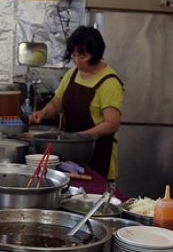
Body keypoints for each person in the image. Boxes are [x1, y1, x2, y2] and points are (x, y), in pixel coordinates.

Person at [29, 26, 123, 179]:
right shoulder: (72, 74)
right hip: (72, 156)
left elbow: (112, 123)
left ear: (96, 53)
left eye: (82, 55)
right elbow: (56, 103)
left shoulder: (109, 82)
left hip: (98, 158)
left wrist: (79, 138)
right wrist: (43, 113)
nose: (77, 60)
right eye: (73, 54)